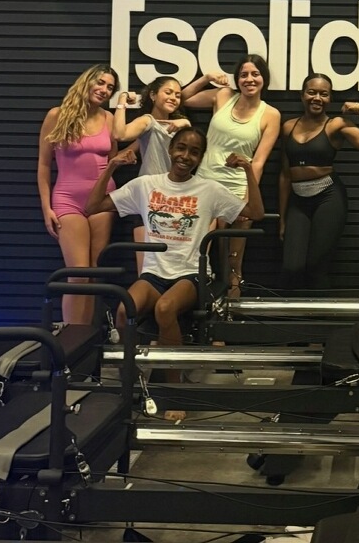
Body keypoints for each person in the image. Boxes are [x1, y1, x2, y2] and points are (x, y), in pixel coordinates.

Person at [86, 127, 265, 418]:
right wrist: (112, 167)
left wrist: (247, 169)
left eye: (194, 152)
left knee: (165, 308)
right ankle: (132, 383)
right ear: (170, 150)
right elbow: (92, 206)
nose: (185, 156)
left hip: (191, 275)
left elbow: (255, 213)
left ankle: (174, 391)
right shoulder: (146, 184)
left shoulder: (209, 190)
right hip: (154, 274)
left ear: (200, 158)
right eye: (181, 148)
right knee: (123, 310)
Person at [37, 63, 134, 324]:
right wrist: (46, 208)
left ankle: (87, 335)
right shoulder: (56, 116)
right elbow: (44, 166)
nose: (104, 90)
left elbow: (113, 160)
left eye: (110, 87)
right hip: (67, 199)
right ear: (87, 81)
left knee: (94, 273)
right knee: (78, 273)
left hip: (102, 200)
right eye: (100, 83)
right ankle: (71, 335)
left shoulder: (109, 118)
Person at [182, 55, 281, 296]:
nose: (249, 79)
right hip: (205, 184)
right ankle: (196, 304)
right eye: (244, 75)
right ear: (237, 79)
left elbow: (258, 162)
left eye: (255, 74)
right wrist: (206, 77)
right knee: (198, 253)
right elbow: (183, 98)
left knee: (233, 262)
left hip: (238, 188)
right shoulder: (223, 96)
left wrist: (248, 198)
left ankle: (231, 312)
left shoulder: (271, 115)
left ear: (264, 78)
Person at [279, 73, 359, 290]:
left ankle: (319, 311)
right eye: (312, 92)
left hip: (328, 197)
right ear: (302, 95)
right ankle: (294, 311)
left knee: (316, 266)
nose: (317, 98)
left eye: (324, 94)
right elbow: (285, 174)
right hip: (298, 200)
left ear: (330, 99)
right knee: (292, 267)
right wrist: (282, 219)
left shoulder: (336, 125)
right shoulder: (288, 126)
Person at [112, 76, 191, 270]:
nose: (173, 97)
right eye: (168, 92)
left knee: (172, 268)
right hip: (149, 200)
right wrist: (122, 100)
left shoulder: (179, 126)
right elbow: (119, 134)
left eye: (177, 95)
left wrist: (186, 123)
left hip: (175, 201)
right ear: (154, 95)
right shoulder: (148, 121)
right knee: (146, 269)